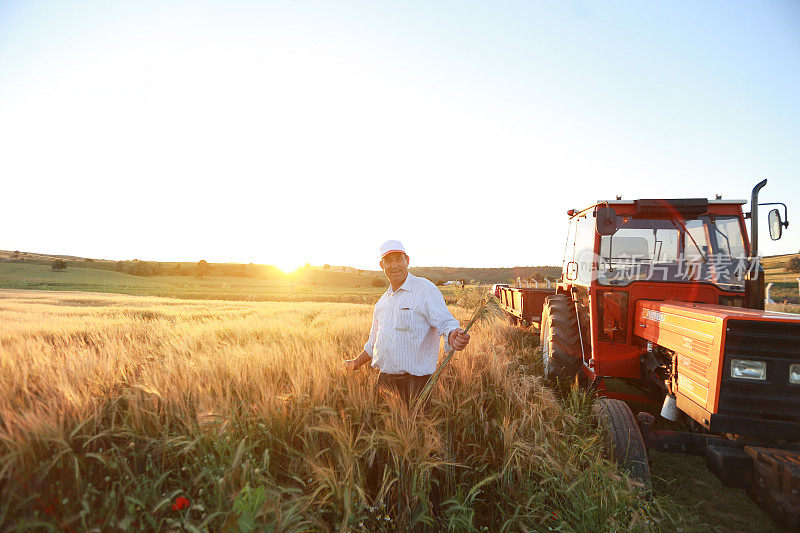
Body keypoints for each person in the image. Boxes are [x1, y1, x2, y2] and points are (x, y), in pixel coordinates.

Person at [342, 240, 470, 402]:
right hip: (385, 382)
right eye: (388, 261)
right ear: (382, 265)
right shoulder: (382, 303)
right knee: (386, 427)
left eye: (399, 259)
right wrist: (356, 362)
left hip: (416, 384)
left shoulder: (424, 289)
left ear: (407, 261)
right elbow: (373, 343)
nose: (394, 265)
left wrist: (453, 334)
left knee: (418, 427)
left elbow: (445, 322)